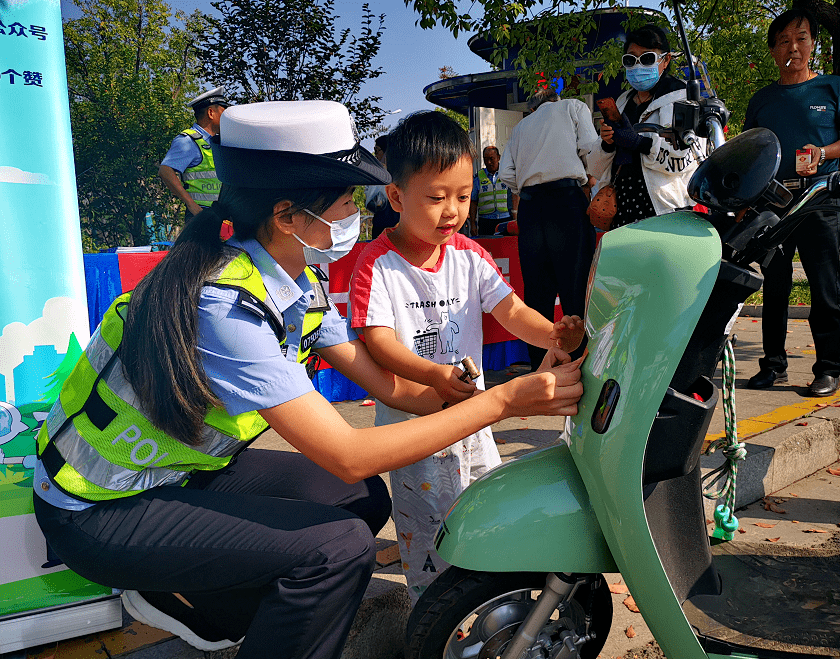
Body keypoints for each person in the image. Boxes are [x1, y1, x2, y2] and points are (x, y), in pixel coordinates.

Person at [33, 100, 584, 659]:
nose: (357, 211)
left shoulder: (299, 281)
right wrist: (506, 403)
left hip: (177, 472)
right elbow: (348, 450)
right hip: (97, 507)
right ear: (288, 215)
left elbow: (387, 388)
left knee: (362, 499)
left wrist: (460, 394)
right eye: (345, 201)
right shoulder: (226, 307)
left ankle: (211, 610)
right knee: (339, 548)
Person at [348, 111, 585, 604]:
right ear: (396, 197)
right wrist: (434, 374)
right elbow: (380, 342)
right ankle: (430, 617)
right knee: (429, 537)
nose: (452, 210)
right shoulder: (377, 263)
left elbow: (512, 310)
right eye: (436, 198)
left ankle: (488, 600)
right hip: (413, 430)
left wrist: (555, 334)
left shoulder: (469, 255)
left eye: (463, 195)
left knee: (484, 510)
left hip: (474, 423)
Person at [743, 7, 840, 397]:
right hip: (774, 204)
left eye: (801, 38)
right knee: (775, 286)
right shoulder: (762, 100)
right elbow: (751, 152)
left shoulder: (832, 88)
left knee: (826, 286)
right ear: (772, 51)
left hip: (821, 199)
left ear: (813, 44)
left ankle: (829, 368)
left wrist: (824, 152)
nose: (793, 47)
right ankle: (773, 366)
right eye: (783, 40)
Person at [499, 87, 598, 370]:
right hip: (567, 201)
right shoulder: (572, 107)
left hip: (531, 208)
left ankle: (541, 366)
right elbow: (590, 148)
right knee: (575, 286)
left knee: (537, 291)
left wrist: (531, 189)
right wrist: (587, 179)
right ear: (554, 99)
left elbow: (507, 173)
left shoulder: (520, 127)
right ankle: (579, 364)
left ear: (533, 109)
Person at [587, 24, 702, 230]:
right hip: (621, 208)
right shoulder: (622, 103)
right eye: (631, 60)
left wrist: (640, 143)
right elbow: (594, 168)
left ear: (665, 60)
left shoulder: (683, 100)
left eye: (647, 58)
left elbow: (685, 160)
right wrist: (607, 144)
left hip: (663, 210)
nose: (638, 66)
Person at [158, 86, 230, 223]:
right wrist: (192, 206)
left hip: (221, 215)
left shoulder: (218, 141)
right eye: (223, 111)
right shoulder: (188, 141)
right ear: (210, 113)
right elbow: (165, 171)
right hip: (201, 215)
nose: (226, 117)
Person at [469, 145, 518, 236]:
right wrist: (473, 224)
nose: (488, 162)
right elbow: (473, 202)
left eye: (492, 159)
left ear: (498, 158)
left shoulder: (507, 174)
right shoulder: (478, 177)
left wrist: (515, 218)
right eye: (485, 159)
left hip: (505, 219)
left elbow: (515, 195)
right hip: (486, 222)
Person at [364, 133, 400, 239]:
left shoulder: (379, 173)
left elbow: (371, 201)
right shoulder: (402, 170)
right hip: (399, 223)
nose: (376, 155)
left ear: (384, 151)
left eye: (377, 150)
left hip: (383, 222)